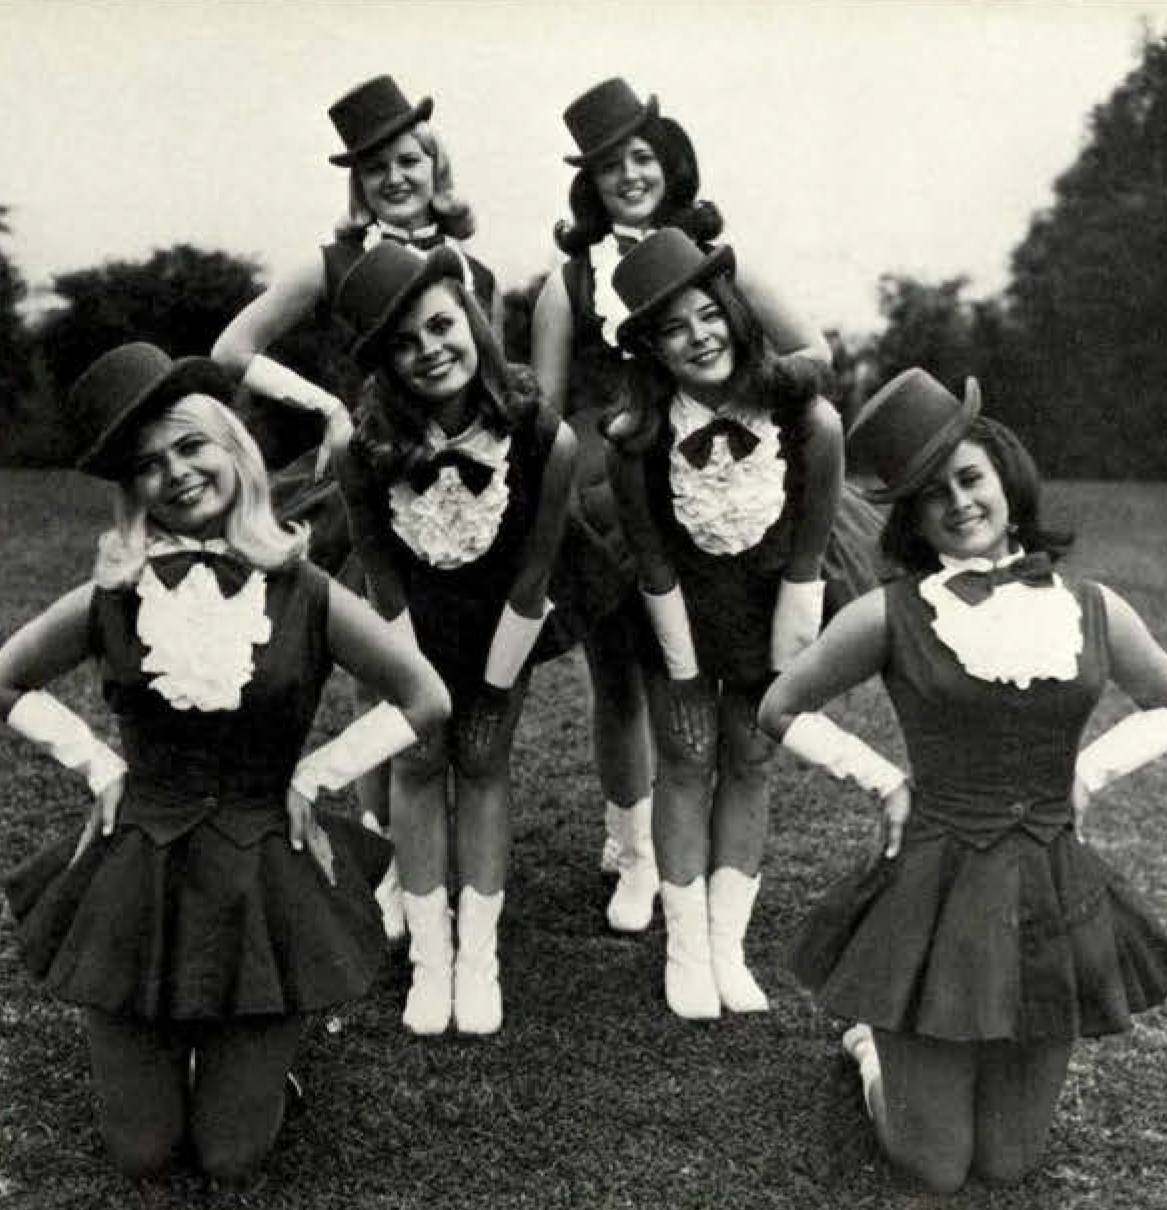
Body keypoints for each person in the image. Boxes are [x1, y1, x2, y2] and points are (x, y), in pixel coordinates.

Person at [0, 342, 451, 1183]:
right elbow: (6, 679)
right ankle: (167, 1028)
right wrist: (98, 766)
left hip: (263, 870)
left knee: (232, 1157)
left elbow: (424, 698)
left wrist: (312, 779)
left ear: (231, 448)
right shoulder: (112, 593)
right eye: (147, 465)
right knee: (141, 1153)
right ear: (131, 489)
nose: (174, 473)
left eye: (189, 446)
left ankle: (257, 1054)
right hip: (139, 868)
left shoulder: (308, 590)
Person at [757, 367, 1167, 1192]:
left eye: (969, 478)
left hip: (1051, 886)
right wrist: (883, 781)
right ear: (910, 517)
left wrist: (1089, 771)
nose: (958, 503)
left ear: (1004, 478)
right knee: (932, 1167)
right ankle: (876, 1050)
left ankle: (941, 1065)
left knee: (1010, 1164)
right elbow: (780, 706)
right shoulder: (888, 613)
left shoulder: (1090, 605)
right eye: (930, 494)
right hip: (934, 887)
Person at [530, 77, 834, 935]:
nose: (628, 175)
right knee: (618, 680)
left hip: (715, 484)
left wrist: (750, 392)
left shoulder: (720, 265)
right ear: (586, 182)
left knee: (712, 678)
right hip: (612, 491)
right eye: (607, 165)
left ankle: (702, 860)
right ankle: (631, 852)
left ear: (670, 162)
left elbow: (813, 351)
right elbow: (549, 415)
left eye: (641, 157)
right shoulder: (570, 284)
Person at [213, 73, 499, 909]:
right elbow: (234, 348)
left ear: (434, 165)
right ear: (358, 182)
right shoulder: (332, 262)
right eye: (376, 168)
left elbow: (497, 383)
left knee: (461, 669)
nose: (395, 177)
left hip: (459, 492)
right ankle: (386, 864)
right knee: (381, 668)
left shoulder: (473, 268)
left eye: (408, 159)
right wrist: (325, 404)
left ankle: (443, 861)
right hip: (363, 485)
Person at [329, 241, 577, 1036]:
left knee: (480, 760)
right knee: (417, 759)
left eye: (441, 326)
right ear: (384, 365)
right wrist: (412, 689)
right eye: (403, 344)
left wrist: (499, 686)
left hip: (503, 616)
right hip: (410, 624)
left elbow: (536, 573)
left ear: (470, 320)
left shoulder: (545, 435)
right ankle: (429, 960)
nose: (429, 351)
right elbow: (378, 576)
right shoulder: (361, 449)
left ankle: (479, 957)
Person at [600, 227, 844, 1019]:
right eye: (672, 328)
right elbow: (650, 563)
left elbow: (808, 558)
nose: (697, 336)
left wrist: (786, 660)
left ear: (736, 316)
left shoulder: (807, 422)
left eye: (708, 315)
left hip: (770, 609)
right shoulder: (636, 441)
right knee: (683, 758)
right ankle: (686, 948)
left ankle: (728, 944)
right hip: (679, 614)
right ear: (652, 351)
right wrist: (678, 668)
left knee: (749, 758)